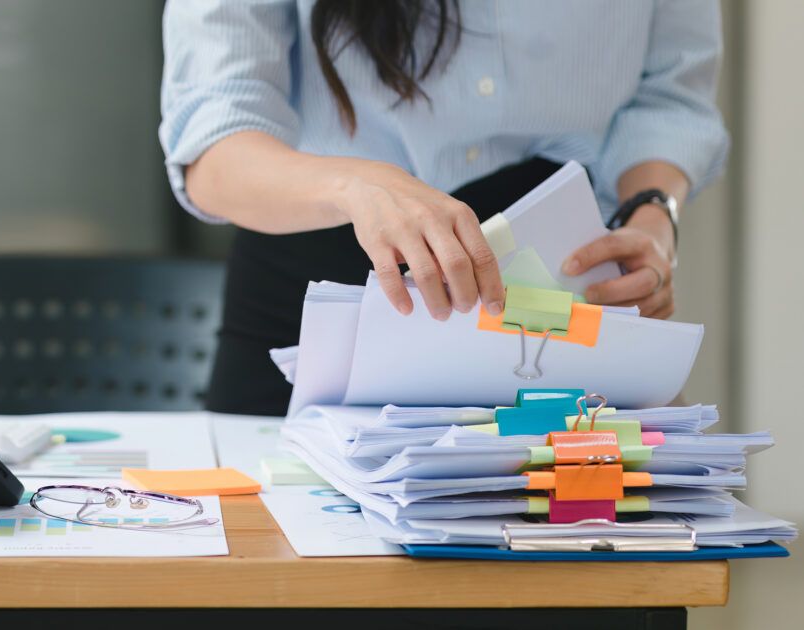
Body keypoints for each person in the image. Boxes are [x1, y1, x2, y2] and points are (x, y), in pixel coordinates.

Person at [159, 0, 728, 416]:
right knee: (280, 564)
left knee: (598, 552)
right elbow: (212, 148)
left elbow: (671, 97)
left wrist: (654, 213)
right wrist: (358, 188)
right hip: (323, 278)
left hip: (559, 287)